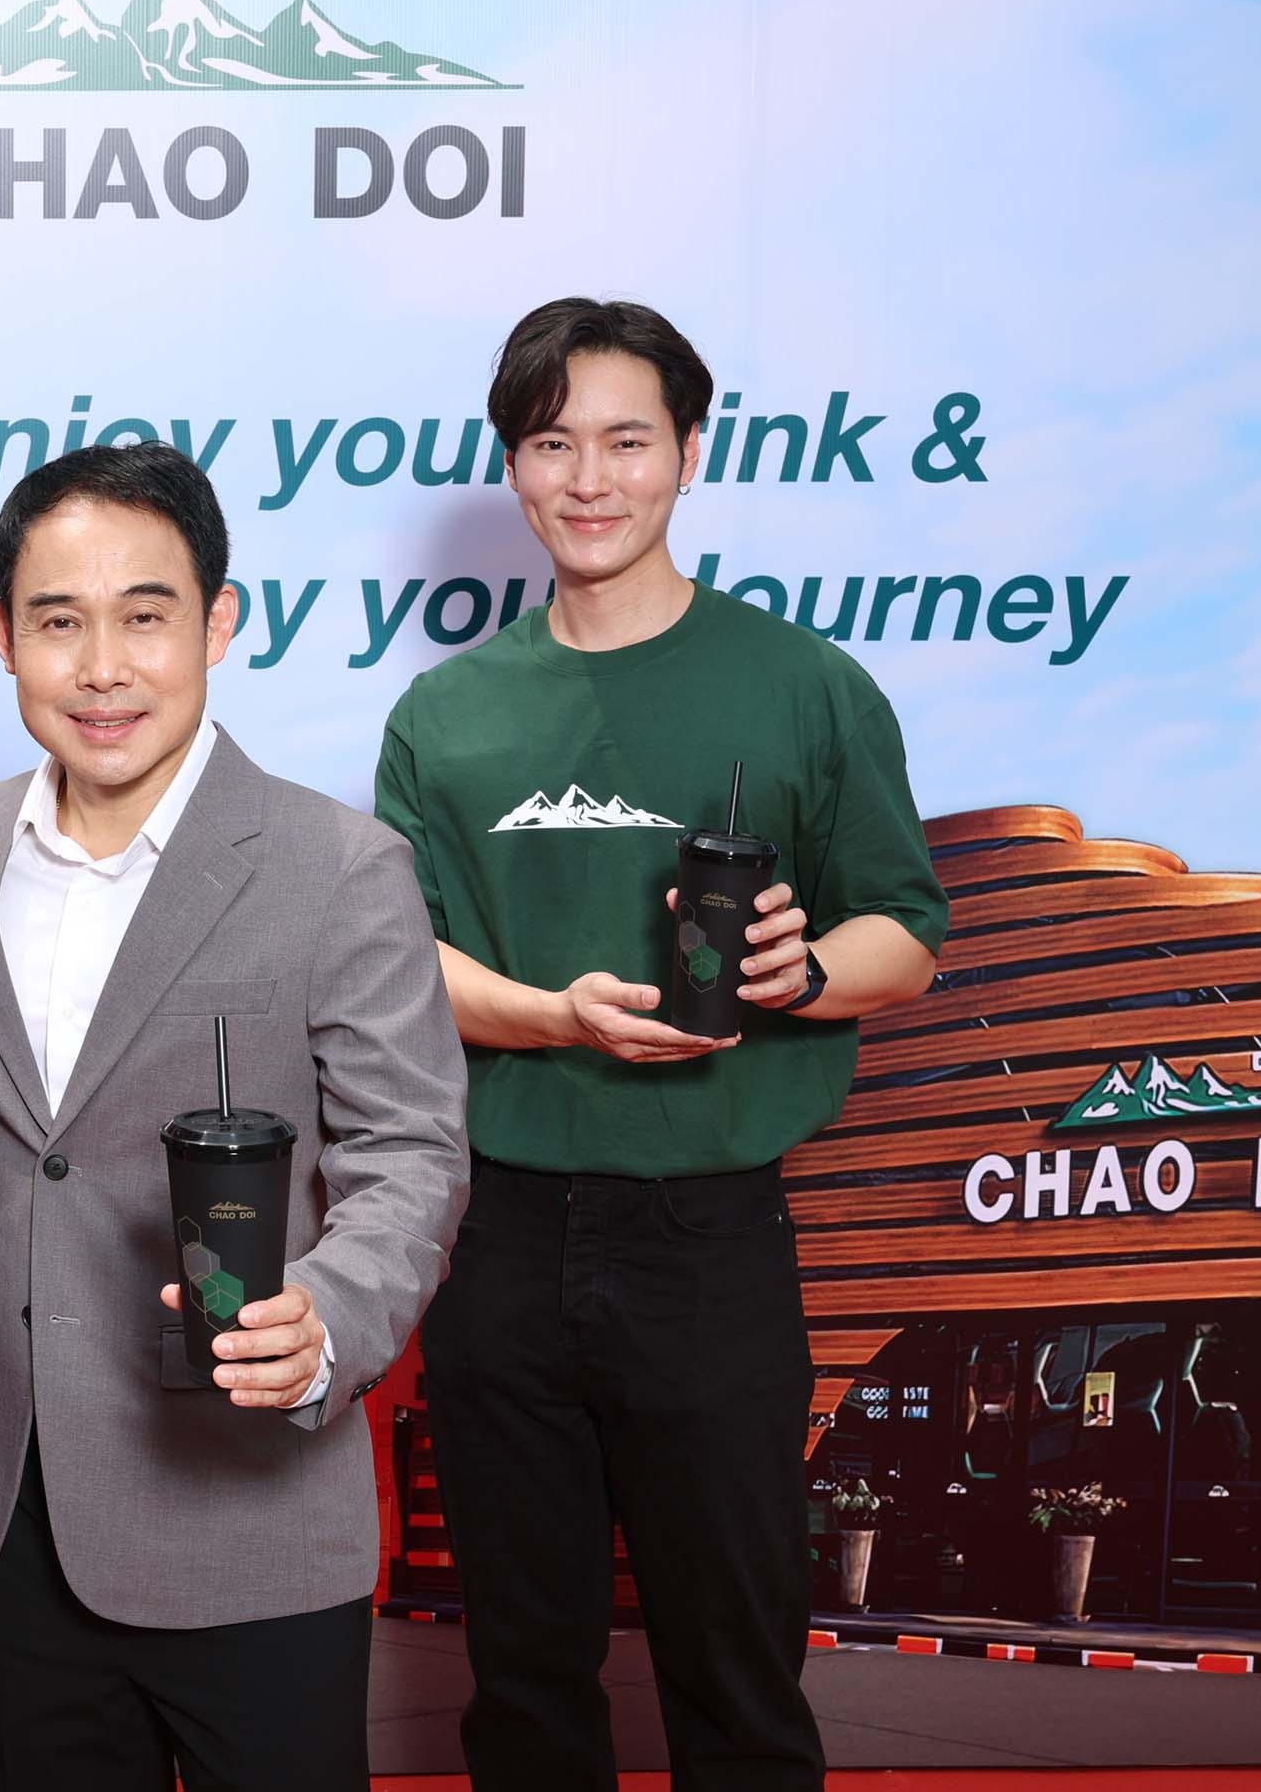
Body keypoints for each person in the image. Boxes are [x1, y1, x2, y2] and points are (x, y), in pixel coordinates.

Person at [374, 298, 947, 1791]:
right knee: (524, 1678)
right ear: (512, 464)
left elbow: (906, 930)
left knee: (738, 1677)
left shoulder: (805, 686)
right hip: (500, 1234)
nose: (590, 479)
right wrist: (551, 1016)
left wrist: (798, 975)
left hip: (714, 1238)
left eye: (627, 441)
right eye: (552, 443)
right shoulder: (445, 714)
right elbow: (400, 965)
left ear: (691, 452)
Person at [0, 442, 471, 1792]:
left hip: (245, 1508)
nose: (104, 667)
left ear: (219, 622)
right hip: (12, 1522)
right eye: (59, 621)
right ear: (4, 638)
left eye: (145, 616)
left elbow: (408, 1156)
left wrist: (326, 1316)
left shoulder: (341, 866)